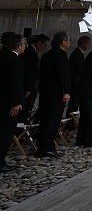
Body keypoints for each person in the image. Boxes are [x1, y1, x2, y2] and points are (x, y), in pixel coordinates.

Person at [36, 32, 71, 158]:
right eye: (68, 40)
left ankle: (42, 146)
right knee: (52, 121)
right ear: (63, 42)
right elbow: (63, 75)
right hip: (56, 94)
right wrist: (66, 91)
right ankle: (47, 148)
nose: (69, 42)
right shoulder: (61, 55)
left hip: (45, 92)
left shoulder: (46, 54)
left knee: (44, 120)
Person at [0, 33, 25, 173]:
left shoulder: (2, 56)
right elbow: (14, 83)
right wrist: (16, 102)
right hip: (9, 103)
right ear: (19, 46)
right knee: (6, 133)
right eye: (24, 44)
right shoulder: (16, 61)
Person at [21, 33, 50, 121]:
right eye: (44, 45)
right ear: (39, 43)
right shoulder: (31, 53)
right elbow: (30, 71)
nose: (44, 48)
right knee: (26, 108)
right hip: (30, 85)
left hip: (31, 84)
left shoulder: (31, 52)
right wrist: (28, 88)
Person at [66, 35, 91, 125]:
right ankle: (69, 122)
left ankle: (71, 121)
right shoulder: (77, 53)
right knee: (73, 103)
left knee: (74, 103)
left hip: (76, 82)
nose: (88, 45)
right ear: (83, 43)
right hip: (76, 83)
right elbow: (80, 68)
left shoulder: (78, 53)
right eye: (88, 43)